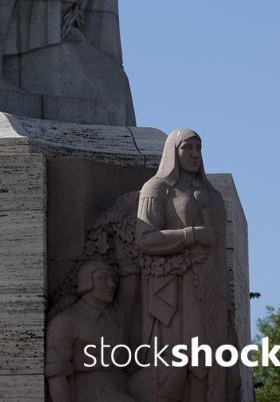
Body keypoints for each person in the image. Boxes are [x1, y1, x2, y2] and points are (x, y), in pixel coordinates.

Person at [135, 129, 230, 402]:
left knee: (208, 364)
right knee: (175, 363)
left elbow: (220, 252)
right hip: (172, 289)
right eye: (187, 148)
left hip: (209, 287)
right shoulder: (156, 188)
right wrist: (191, 235)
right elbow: (145, 238)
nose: (195, 154)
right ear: (173, 152)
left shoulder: (212, 196)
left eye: (198, 148)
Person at [46, 261, 138, 402]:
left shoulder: (118, 314)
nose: (111, 284)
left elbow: (131, 280)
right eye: (103, 278)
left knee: (174, 370)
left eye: (113, 279)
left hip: (123, 381)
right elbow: (57, 374)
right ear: (86, 282)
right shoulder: (65, 321)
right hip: (91, 388)